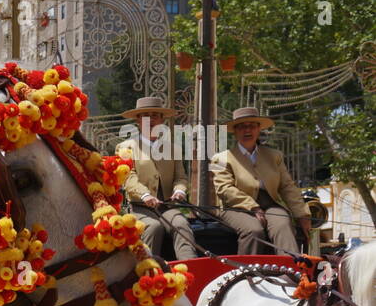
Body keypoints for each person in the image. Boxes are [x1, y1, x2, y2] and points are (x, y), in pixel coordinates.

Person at [211, 106, 311, 255]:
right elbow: (224, 189)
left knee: (283, 223)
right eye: (242, 127)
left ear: (259, 129)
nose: (247, 130)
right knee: (254, 230)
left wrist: (302, 215)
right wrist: (253, 207)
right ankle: (245, 274)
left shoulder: (274, 156)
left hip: (270, 205)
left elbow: (287, 187)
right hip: (234, 207)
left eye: (252, 126)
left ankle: (291, 272)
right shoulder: (219, 159)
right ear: (235, 131)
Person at [116, 96, 198, 260]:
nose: (150, 120)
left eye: (155, 115)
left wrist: (180, 191)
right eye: (145, 116)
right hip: (140, 208)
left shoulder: (173, 149)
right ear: (138, 121)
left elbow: (181, 177)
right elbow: (128, 178)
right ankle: (147, 273)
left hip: (167, 207)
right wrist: (145, 195)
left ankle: (191, 270)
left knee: (182, 224)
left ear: (162, 120)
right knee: (153, 227)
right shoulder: (126, 147)